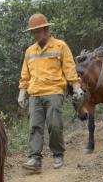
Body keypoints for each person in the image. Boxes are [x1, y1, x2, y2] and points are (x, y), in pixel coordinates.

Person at [18, 13, 83, 173]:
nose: (35, 35)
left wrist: (76, 86)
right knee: (34, 126)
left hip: (54, 91)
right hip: (35, 94)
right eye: (33, 32)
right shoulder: (29, 51)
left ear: (46, 29)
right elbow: (25, 74)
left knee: (54, 125)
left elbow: (69, 67)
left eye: (38, 31)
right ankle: (35, 159)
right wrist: (22, 91)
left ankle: (58, 154)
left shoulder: (60, 46)